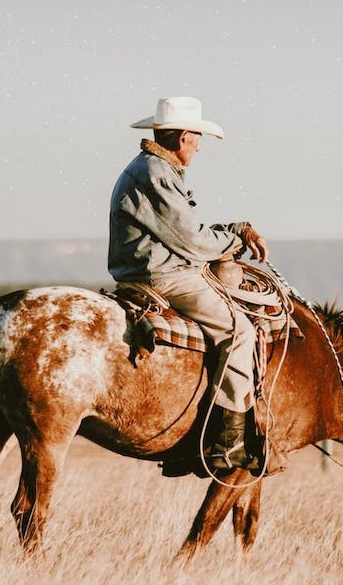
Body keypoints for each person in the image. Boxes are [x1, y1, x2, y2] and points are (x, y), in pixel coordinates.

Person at [108, 96, 269, 474]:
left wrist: (234, 230)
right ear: (183, 138)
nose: (199, 146)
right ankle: (227, 444)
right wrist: (234, 242)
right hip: (164, 276)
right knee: (240, 332)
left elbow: (185, 231)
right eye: (197, 138)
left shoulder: (151, 169)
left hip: (154, 269)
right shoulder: (156, 173)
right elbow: (191, 242)